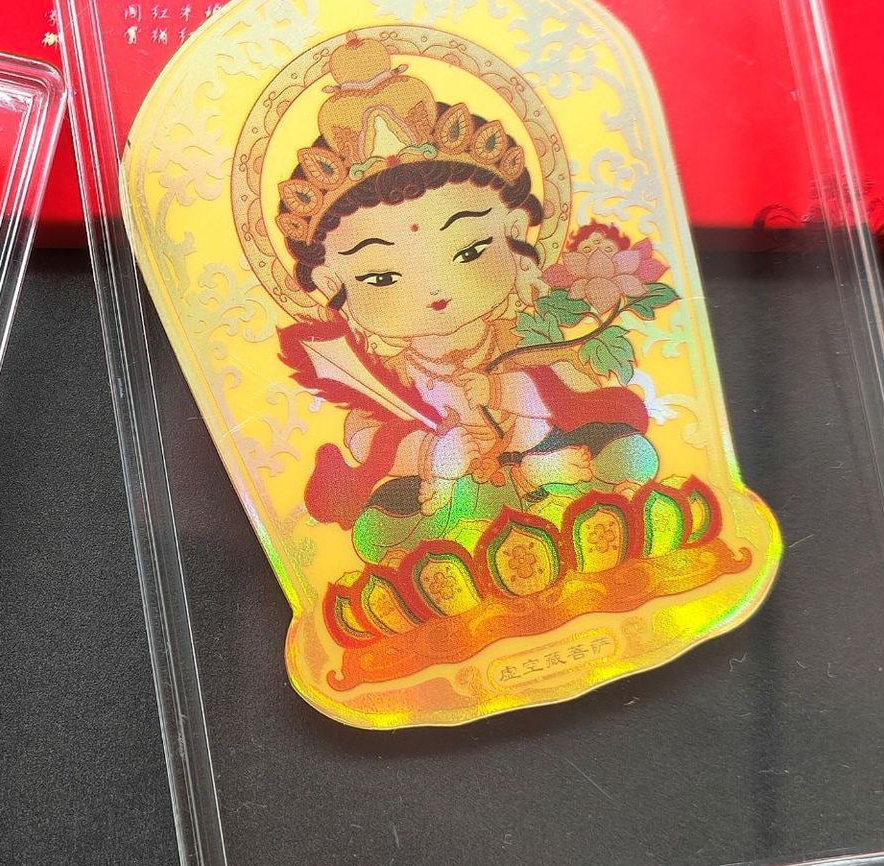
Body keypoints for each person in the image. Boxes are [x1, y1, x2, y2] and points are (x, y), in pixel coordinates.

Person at [273, 37, 660, 568]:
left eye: (470, 250)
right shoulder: (387, 376)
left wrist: (507, 396)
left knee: (627, 453)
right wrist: (435, 453)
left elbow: (584, 391)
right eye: (382, 276)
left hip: (555, 468)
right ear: (331, 281)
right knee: (379, 528)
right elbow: (367, 440)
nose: (435, 289)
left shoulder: (526, 339)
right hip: (456, 501)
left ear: (515, 232)